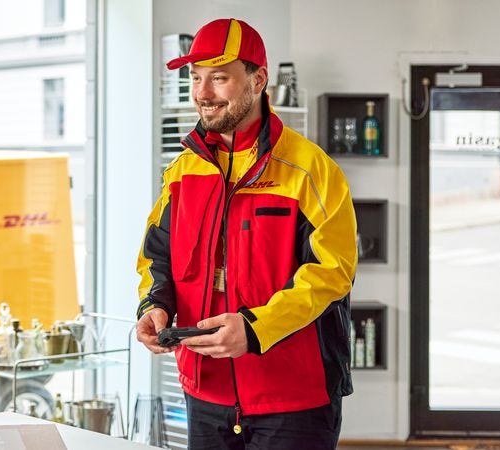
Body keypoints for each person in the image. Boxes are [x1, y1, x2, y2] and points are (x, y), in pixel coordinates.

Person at [136, 18, 357, 450]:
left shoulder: (310, 169)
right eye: (196, 78)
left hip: (293, 399)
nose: (202, 93)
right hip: (205, 394)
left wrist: (255, 329)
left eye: (219, 77)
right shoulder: (182, 171)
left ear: (258, 79)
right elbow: (155, 255)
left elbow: (332, 271)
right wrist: (154, 303)